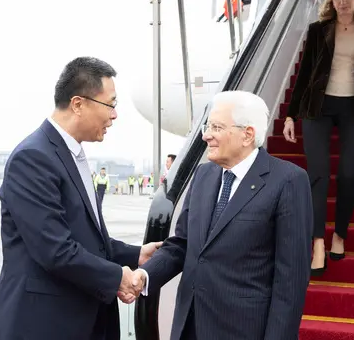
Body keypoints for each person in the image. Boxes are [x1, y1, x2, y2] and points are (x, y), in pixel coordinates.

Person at [0, 57, 162, 340]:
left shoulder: (72, 155)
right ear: (78, 104)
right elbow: (55, 249)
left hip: (81, 319)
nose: (114, 116)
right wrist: (118, 277)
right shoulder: (33, 158)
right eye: (111, 104)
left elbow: (85, 238)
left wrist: (136, 254)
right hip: (45, 324)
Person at [130, 91, 313, 340]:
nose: (206, 135)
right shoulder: (203, 175)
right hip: (189, 327)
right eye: (207, 126)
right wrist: (145, 275)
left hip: (243, 330)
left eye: (216, 127)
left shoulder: (288, 181)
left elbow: (290, 282)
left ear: (247, 134)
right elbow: (182, 244)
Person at [283, 0, 354, 276]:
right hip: (318, 109)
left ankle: (339, 234)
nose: (342, 1)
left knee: (349, 174)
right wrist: (291, 114)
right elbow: (304, 74)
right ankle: (318, 242)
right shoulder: (319, 30)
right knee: (317, 175)